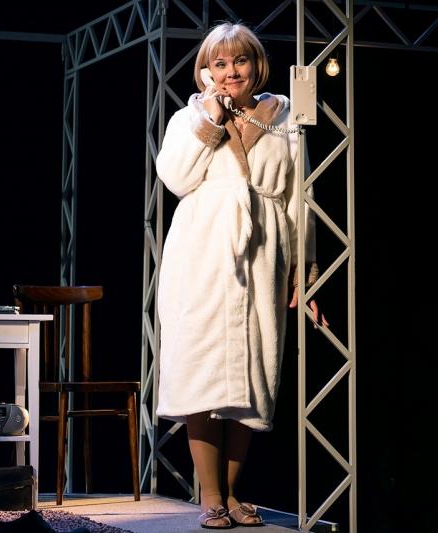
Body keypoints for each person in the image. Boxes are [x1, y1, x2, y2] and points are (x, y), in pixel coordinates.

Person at [154, 22, 328, 529]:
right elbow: (175, 177)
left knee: (254, 372)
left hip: (263, 252)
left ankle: (232, 493)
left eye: (240, 61)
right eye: (220, 63)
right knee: (201, 368)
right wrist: (212, 119)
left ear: (257, 65)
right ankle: (210, 495)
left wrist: (303, 271)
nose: (231, 72)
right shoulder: (188, 118)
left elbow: (299, 199)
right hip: (202, 251)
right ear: (206, 70)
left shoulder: (284, 120)